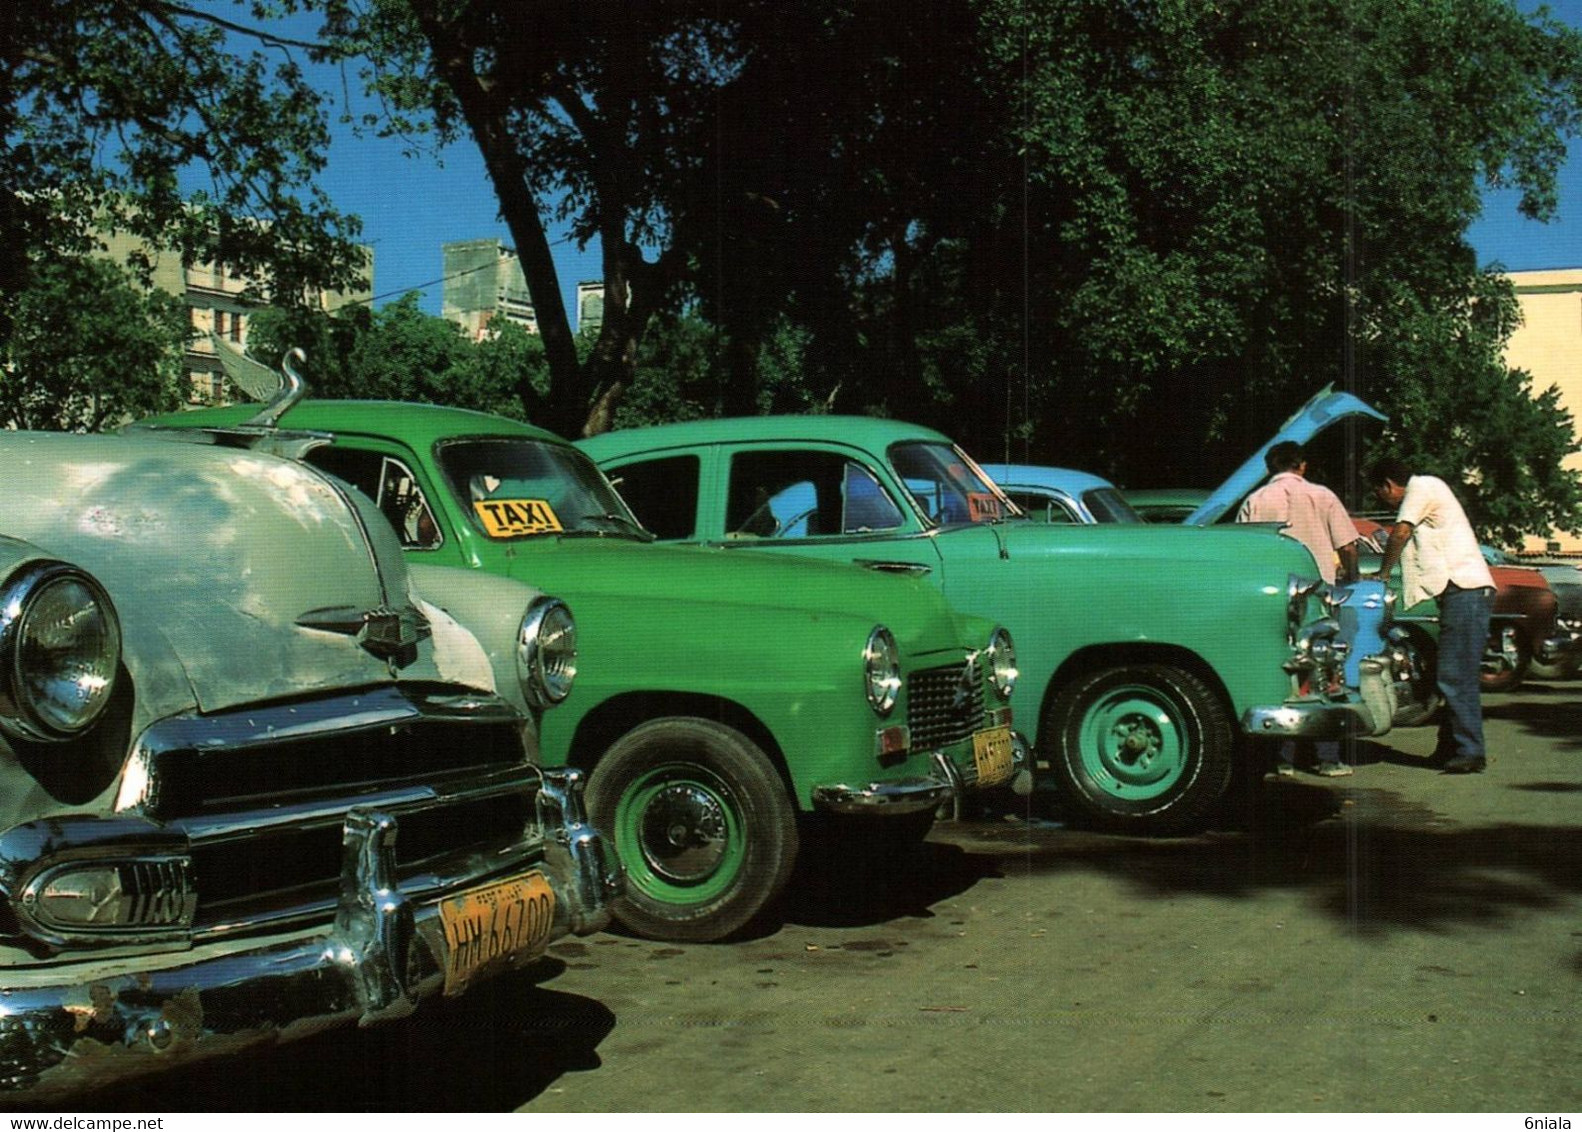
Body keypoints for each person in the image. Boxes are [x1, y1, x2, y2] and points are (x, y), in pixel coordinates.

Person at [1237, 440, 1360, 777]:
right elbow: (1348, 547)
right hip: (1319, 595)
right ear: (1301, 465)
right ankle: (1327, 756)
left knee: (1279, 671)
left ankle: (1280, 758)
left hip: (1275, 597)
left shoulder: (1256, 500)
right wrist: (1350, 579)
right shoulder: (1323, 496)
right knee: (1325, 672)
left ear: (1270, 468)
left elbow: (1245, 551)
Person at [1366, 456, 1495, 774]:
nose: (1385, 500)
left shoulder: (1422, 487)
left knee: (1454, 674)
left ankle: (1470, 751)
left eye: (1381, 494)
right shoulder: (1429, 488)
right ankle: (1451, 747)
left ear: (1388, 485)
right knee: (1450, 672)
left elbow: (1400, 533)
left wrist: (1383, 573)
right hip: (1461, 594)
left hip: (1466, 590)